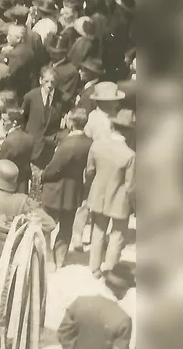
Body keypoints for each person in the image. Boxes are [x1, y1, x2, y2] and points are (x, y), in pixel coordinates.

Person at [83, 107, 135, 277]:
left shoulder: (97, 146)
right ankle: (110, 270)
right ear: (129, 132)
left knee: (98, 231)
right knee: (117, 235)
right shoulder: (129, 155)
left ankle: (95, 269)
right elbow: (131, 186)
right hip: (120, 200)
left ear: (112, 127)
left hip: (98, 196)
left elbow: (89, 172)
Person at [40, 109, 93, 254]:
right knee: (66, 227)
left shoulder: (68, 144)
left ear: (71, 122)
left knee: (46, 225)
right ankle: (60, 258)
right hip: (74, 190)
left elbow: (54, 168)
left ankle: (47, 256)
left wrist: (42, 176)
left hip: (55, 190)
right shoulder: (89, 143)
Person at [57, 262, 134, 349]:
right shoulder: (123, 320)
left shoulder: (79, 302)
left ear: (105, 282)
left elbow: (63, 333)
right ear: (123, 290)